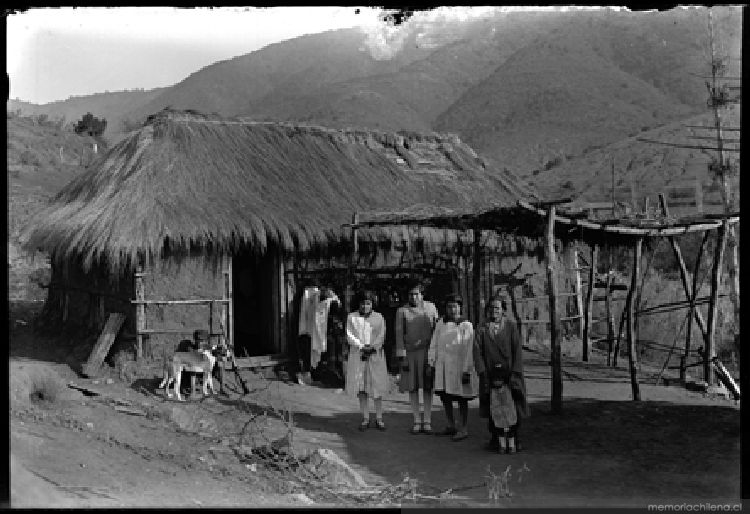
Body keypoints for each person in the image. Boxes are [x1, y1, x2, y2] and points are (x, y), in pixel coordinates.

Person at [475, 293, 530, 453]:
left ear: (503, 310)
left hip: (510, 373)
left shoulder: (511, 327)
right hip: (490, 375)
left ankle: (515, 439)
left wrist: (515, 372)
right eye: (491, 308)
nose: (494, 311)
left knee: (513, 405)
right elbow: (477, 352)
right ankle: (496, 438)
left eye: (497, 308)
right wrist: (483, 372)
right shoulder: (482, 329)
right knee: (494, 406)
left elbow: (517, 351)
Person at [427, 293, 479, 442]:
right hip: (442, 366)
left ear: (460, 307)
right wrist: (431, 362)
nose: (452, 309)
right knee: (445, 396)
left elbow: (469, 349)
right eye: (449, 306)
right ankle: (451, 424)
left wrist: (466, 370)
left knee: (461, 398)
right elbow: (434, 343)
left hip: (459, 366)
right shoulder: (441, 323)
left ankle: (463, 428)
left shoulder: (466, 325)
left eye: (455, 306)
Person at [395, 279, 439, 435]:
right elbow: (399, 335)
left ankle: (427, 420)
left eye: (416, 294)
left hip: (427, 352)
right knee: (412, 388)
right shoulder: (402, 311)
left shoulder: (431, 308)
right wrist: (403, 357)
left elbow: (436, 330)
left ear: (422, 295)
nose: (414, 298)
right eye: (411, 295)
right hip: (410, 353)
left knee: (428, 387)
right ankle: (416, 420)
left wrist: (435, 354)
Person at [345, 290, 388, 431]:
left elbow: (381, 335)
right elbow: (349, 335)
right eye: (362, 303)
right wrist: (362, 347)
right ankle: (365, 417)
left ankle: (379, 418)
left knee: (376, 386)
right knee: (361, 387)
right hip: (358, 355)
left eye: (368, 303)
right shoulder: (352, 317)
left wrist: (373, 347)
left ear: (372, 303)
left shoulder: (379, 318)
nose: (365, 306)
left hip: (375, 356)